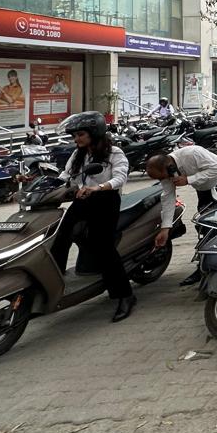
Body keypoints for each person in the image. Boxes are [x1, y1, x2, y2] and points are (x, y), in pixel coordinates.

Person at [48, 111, 136, 322]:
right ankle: (53, 285)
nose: (76, 139)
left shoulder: (114, 153)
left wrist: (98, 188)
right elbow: (65, 176)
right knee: (59, 238)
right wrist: (44, 183)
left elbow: (119, 179)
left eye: (80, 134)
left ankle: (125, 295)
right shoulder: (78, 154)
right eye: (74, 136)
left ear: (94, 133)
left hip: (106, 201)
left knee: (103, 246)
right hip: (82, 200)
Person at [145, 146, 217, 287]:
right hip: (203, 187)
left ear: (169, 166)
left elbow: (215, 169)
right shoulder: (166, 172)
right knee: (204, 224)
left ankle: (215, 264)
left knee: (212, 223)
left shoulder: (192, 153)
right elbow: (168, 198)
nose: (165, 180)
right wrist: (165, 228)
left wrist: (189, 179)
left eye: (163, 177)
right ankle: (207, 264)